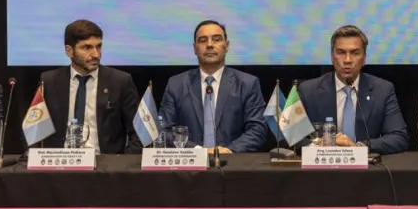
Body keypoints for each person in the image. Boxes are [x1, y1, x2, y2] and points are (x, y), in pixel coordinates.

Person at [298, 25, 409, 154]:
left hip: (365, 166)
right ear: (332, 57)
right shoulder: (308, 91)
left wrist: (358, 147)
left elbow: (399, 137)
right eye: (341, 52)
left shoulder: (382, 90)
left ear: (364, 59)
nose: (347, 60)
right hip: (324, 164)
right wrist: (318, 145)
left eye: (355, 53)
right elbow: (290, 137)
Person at [160, 20, 266, 153]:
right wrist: (198, 151)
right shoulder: (176, 84)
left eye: (216, 39)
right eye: (203, 40)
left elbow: (257, 130)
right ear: (195, 48)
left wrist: (229, 150)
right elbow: (164, 130)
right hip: (190, 162)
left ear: (226, 46)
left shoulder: (247, 83)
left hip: (232, 162)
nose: (210, 45)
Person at [40, 20, 141, 153]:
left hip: (104, 162)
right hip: (60, 160)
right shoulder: (49, 81)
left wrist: (123, 163)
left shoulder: (120, 81)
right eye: (87, 47)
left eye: (98, 46)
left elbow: (139, 133)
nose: (96, 54)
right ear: (69, 51)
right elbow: (34, 129)